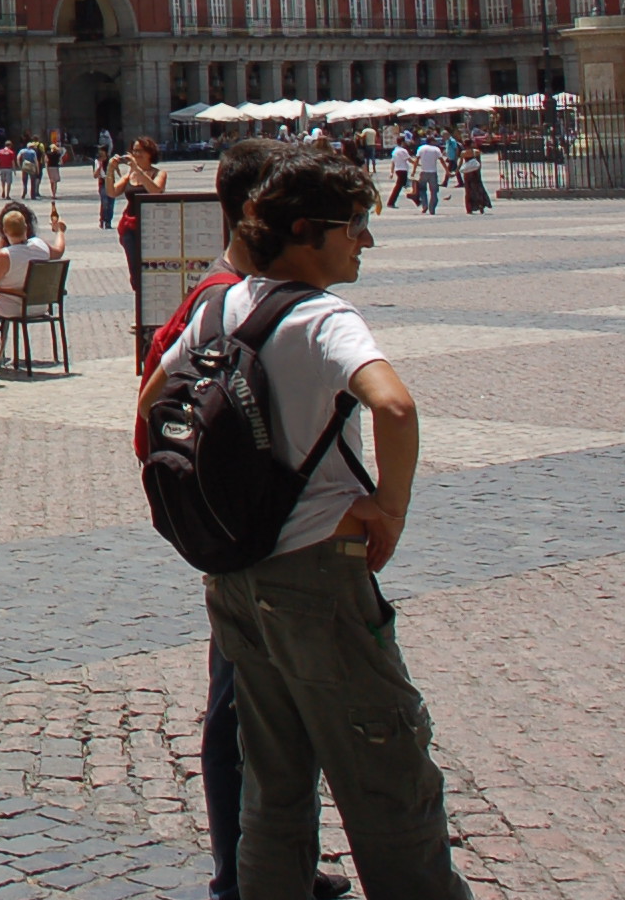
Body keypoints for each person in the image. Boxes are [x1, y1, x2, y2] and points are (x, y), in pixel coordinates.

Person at [144, 149, 473, 900]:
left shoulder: (219, 305)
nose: (365, 241)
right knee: (386, 767)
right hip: (317, 577)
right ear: (303, 231)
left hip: (236, 577)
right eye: (353, 225)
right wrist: (389, 509)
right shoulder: (322, 316)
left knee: (272, 782)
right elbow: (394, 406)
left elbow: (154, 400)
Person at [113, 136, 168, 299]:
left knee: (153, 267)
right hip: (130, 226)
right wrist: (110, 170)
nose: (136, 154)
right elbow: (112, 192)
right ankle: (140, 305)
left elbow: (155, 190)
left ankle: (154, 302)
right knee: (135, 269)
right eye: (134, 151)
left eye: (140, 151)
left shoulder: (159, 173)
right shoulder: (130, 174)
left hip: (153, 226)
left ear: (150, 153)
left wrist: (138, 170)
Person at [0, 203, 52, 323]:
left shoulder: (5, 255)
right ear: (26, 227)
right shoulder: (41, 245)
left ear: (4, 231)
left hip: (15, 307)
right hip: (40, 306)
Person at [409, 133, 446, 215]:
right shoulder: (436, 149)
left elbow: (416, 160)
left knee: (422, 190)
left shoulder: (421, 148)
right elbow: (442, 160)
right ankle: (432, 208)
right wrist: (447, 171)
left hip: (423, 172)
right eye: (434, 141)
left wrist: (414, 171)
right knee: (434, 192)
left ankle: (424, 205)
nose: (436, 142)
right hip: (433, 173)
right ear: (431, 141)